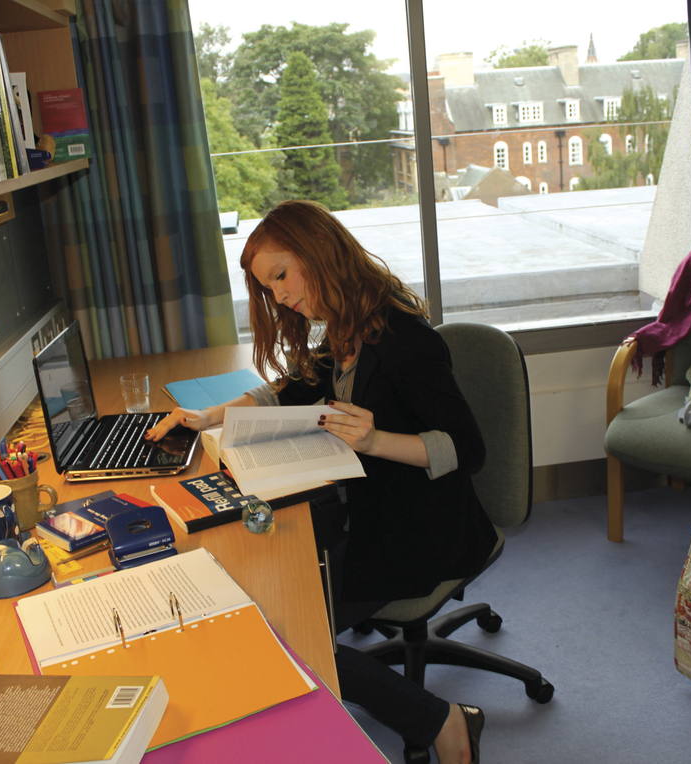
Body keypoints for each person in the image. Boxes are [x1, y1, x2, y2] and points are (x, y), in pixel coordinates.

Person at [146, 199, 497, 764]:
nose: (280, 297)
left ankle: (446, 721)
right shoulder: (346, 326)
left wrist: (376, 440)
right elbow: (296, 385)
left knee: (285, 638)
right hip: (368, 511)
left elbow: (469, 449)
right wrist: (211, 417)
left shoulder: (406, 339)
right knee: (264, 598)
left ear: (318, 251)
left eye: (281, 276)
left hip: (422, 530)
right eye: (269, 287)